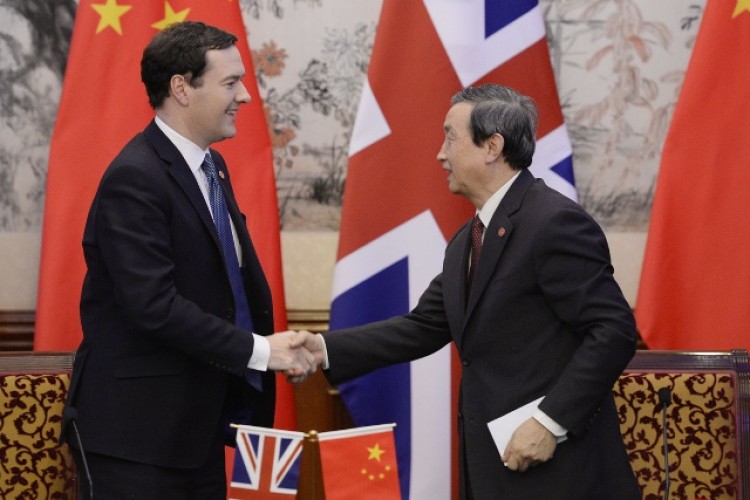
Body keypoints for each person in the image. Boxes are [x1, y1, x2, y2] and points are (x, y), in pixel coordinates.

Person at [295, 84, 641, 499]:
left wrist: (550, 422)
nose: (441, 154)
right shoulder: (468, 239)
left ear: (492, 146)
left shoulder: (554, 222)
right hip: (493, 468)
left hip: (559, 471)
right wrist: (320, 348)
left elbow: (613, 329)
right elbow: (423, 327)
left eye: (450, 137)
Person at [60, 21, 315, 498]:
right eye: (230, 82)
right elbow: (153, 305)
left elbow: (221, 286)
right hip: (137, 440)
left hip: (193, 433)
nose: (245, 96)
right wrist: (262, 351)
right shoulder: (135, 178)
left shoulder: (210, 166)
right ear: (181, 87)